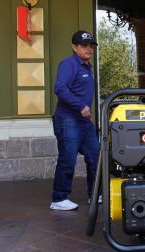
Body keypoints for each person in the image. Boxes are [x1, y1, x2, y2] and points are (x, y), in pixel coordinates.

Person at [50, 30, 100, 211]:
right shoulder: (69, 64)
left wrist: (86, 111)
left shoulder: (87, 68)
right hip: (68, 119)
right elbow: (60, 88)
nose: (89, 49)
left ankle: (95, 194)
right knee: (68, 158)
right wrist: (80, 106)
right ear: (74, 47)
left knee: (95, 156)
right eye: (84, 45)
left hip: (84, 122)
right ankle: (59, 198)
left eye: (91, 46)